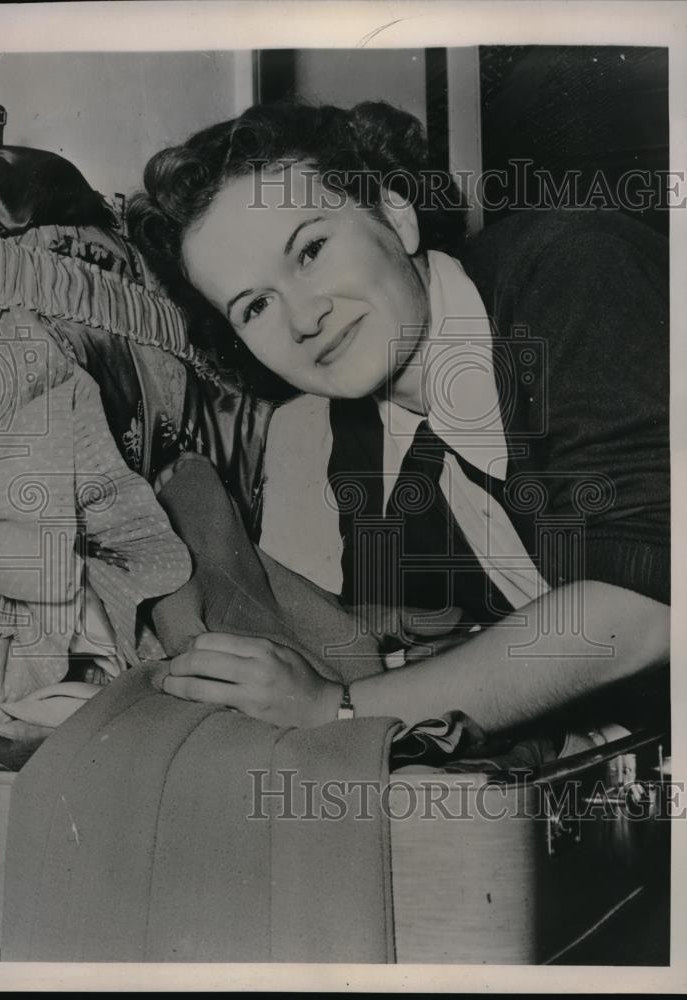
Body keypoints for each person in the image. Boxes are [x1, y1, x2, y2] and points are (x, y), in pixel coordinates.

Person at [127, 99, 670, 736]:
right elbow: (409, 639)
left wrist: (341, 708)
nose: (303, 320)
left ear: (396, 214)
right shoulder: (366, 424)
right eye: (253, 307)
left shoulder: (575, 270)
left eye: (311, 250)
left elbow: (645, 606)